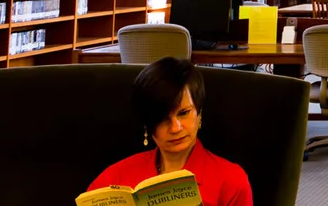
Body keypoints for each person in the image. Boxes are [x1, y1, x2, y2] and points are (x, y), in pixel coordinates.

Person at [89, 57, 252, 206]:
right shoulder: (114, 178)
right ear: (147, 124)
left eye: (184, 113)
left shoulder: (230, 181)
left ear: (198, 113)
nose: (175, 128)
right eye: (162, 118)